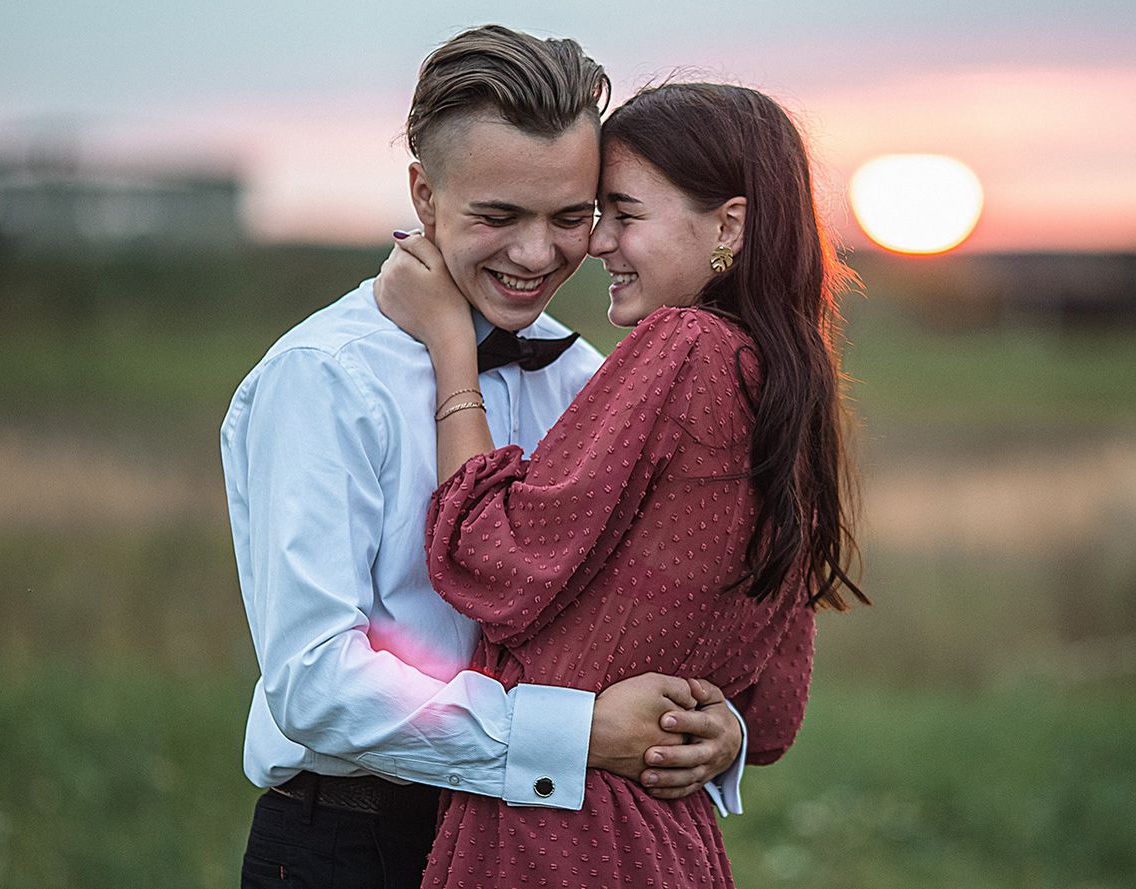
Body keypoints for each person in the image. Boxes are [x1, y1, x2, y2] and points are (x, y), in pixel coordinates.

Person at [220, 27, 749, 888]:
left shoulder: (591, 379)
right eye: (498, 216)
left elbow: (648, 612)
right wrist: (570, 736)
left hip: (552, 846)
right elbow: (315, 682)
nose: (538, 254)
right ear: (425, 196)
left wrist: (717, 730)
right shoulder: (321, 380)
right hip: (357, 845)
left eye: (570, 217)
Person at [375, 80, 865, 887]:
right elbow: (770, 717)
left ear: (728, 227)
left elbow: (486, 560)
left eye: (625, 214)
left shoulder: (684, 345)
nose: (598, 241)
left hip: (553, 837)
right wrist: (725, 734)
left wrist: (446, 344)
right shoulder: (791, 392)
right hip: (671, 844)